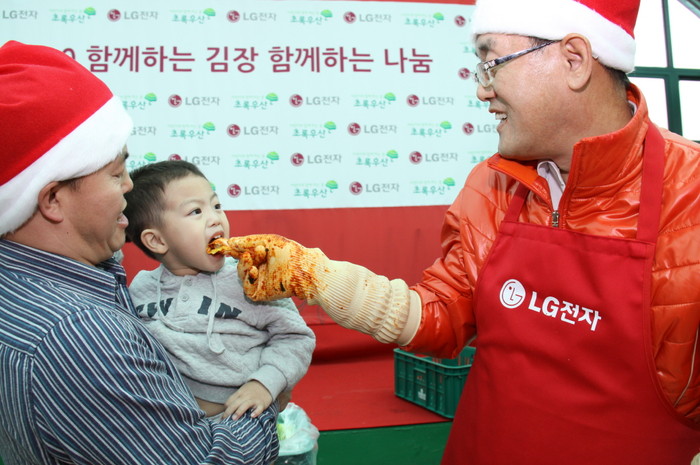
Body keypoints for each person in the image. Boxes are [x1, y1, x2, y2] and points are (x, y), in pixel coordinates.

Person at [212, 0, 700, 463]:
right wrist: (317, 277)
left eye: (492, 63)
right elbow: (442, 317)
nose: (482, 89)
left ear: (574, 60)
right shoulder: (493, 184)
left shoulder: (689, 197)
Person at [0, 40, 279, 464]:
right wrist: (269, 399)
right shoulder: (79, 334)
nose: (130, 186)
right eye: (116, 173)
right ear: (52, 200)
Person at [123, 160, 315, 420]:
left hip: (241, 419)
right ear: (156, 241)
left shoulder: (250, 277)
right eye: (195, 212)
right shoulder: (141, 288)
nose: (215, 218)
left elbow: (295, 337)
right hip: (169, 423)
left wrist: (265, 384)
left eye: (216, 206)